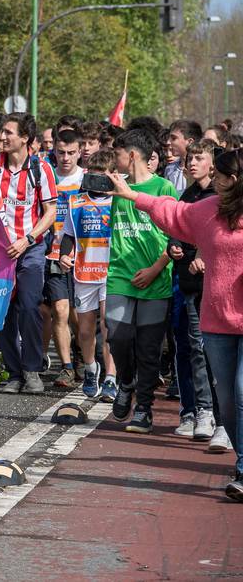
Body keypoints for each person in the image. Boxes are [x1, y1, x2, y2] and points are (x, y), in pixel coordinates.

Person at [103, 148, 243, 500]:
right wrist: (133, 194)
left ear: (233, 180)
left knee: (242, 392)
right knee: (226, 399)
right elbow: (174, 212)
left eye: (221, 177)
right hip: (217, 321)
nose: (215, 182)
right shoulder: (208, 210)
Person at [0, 113, 57, 394]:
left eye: (9, 133)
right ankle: (14, 371)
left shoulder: (40, 168)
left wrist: (28, 239)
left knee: (30, 306)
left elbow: (51, 212)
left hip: (30, 247)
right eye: (1, 133)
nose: (2, 138)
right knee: (2, 310)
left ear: (25, 139)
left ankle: (32, 369)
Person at [103, 128, 177, 434]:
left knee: (148, 348)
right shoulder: (117, 187)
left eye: (118, 154)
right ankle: (126, 380)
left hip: (156, 278)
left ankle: (144, 409)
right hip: (120, 276)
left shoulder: (164, 188)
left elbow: (176, 236)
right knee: (118, 337)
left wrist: (155, 268)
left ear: (132, 155)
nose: (114, 160)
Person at [167, 139, 220, 443]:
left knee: (204, 350)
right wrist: (173, 246)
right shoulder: (186, 195)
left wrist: (202, 254)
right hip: (184, 283)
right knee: (184, 347)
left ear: (212, 163)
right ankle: (189, 410)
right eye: (189, 158)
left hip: (209, 287)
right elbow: (177, 228)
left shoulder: (219, 197)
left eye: (199, 158)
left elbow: (216, 236)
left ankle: (208, 411)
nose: (192, 163)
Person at [59, 150, 118, 402]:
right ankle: (91, 368)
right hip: (84, 273)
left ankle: (111, 378)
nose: (96, 179)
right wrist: (64, 255)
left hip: (111, 272)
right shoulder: (76, 202)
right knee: (84, 330)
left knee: (108, 326)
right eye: (92, 174)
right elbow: (68, 235)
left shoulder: (118, 201)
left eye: (101, 175)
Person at [42, 127, 84, 389]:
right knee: (60, 310)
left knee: (81, 317)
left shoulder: (88, 178)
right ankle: (66, 367)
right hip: (52, 254)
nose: (65, 158)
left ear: (80, 152)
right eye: (60, 152)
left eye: (71, 153)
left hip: (84, 258)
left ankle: (82, 354)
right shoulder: (46, 176)